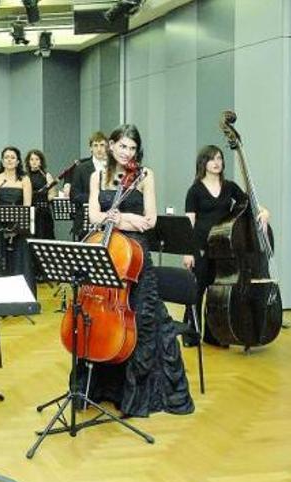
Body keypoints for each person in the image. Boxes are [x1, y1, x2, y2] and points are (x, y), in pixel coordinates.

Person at [80, 123, 194, 417]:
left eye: (133, 148)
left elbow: (150, 220)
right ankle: (103, 387)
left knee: (139, 318)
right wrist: (119, 219)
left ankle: (137, 395)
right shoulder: (97, 177)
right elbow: (95, 216)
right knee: (105, 317)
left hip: (135, 256)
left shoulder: (145, 175)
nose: (127, 152)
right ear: (111, 145)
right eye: (123, 146)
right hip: (108, 251)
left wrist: (122, 217)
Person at [182, 144, 270, 347]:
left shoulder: (230, 187)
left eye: (220, 158)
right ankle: (191, 334)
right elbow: (190, 223)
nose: (216, 163)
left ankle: (216, 334)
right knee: (197, 291)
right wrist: (188, 252)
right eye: (212, 159)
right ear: (203, 163)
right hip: (201, 246)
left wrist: (264, 212)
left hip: (224, 249)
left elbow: (250, 204)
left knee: (218, 293)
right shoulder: (194, 190)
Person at [0, 146, 35, 294]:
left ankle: (21, 297)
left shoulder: (25, 180)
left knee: (20, 261)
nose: (9, 160)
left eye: (12, 157)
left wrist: (17, 228)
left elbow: (27, 206)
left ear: (18, 161)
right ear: (2, 160)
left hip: (20, 229)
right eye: (6, 157)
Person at [68, 131, 108, 239]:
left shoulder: (113, 168)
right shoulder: (81, 168)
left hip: (108, 221)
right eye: (95, 145)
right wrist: (96, 199)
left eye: (102, 145)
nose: (99, 149)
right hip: (86, 220)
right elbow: (74, 195)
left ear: (107, 147)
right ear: (90, 148)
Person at [24, 149, 57, 240]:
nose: (34, 162)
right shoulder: (24, 176)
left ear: (41, 161)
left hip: (43, 212)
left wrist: (44, 198)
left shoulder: (46, 175)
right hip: (30, 212)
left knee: (45, 237)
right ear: (28, 162)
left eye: (37, 159)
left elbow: (52, 194)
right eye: (32, 159)